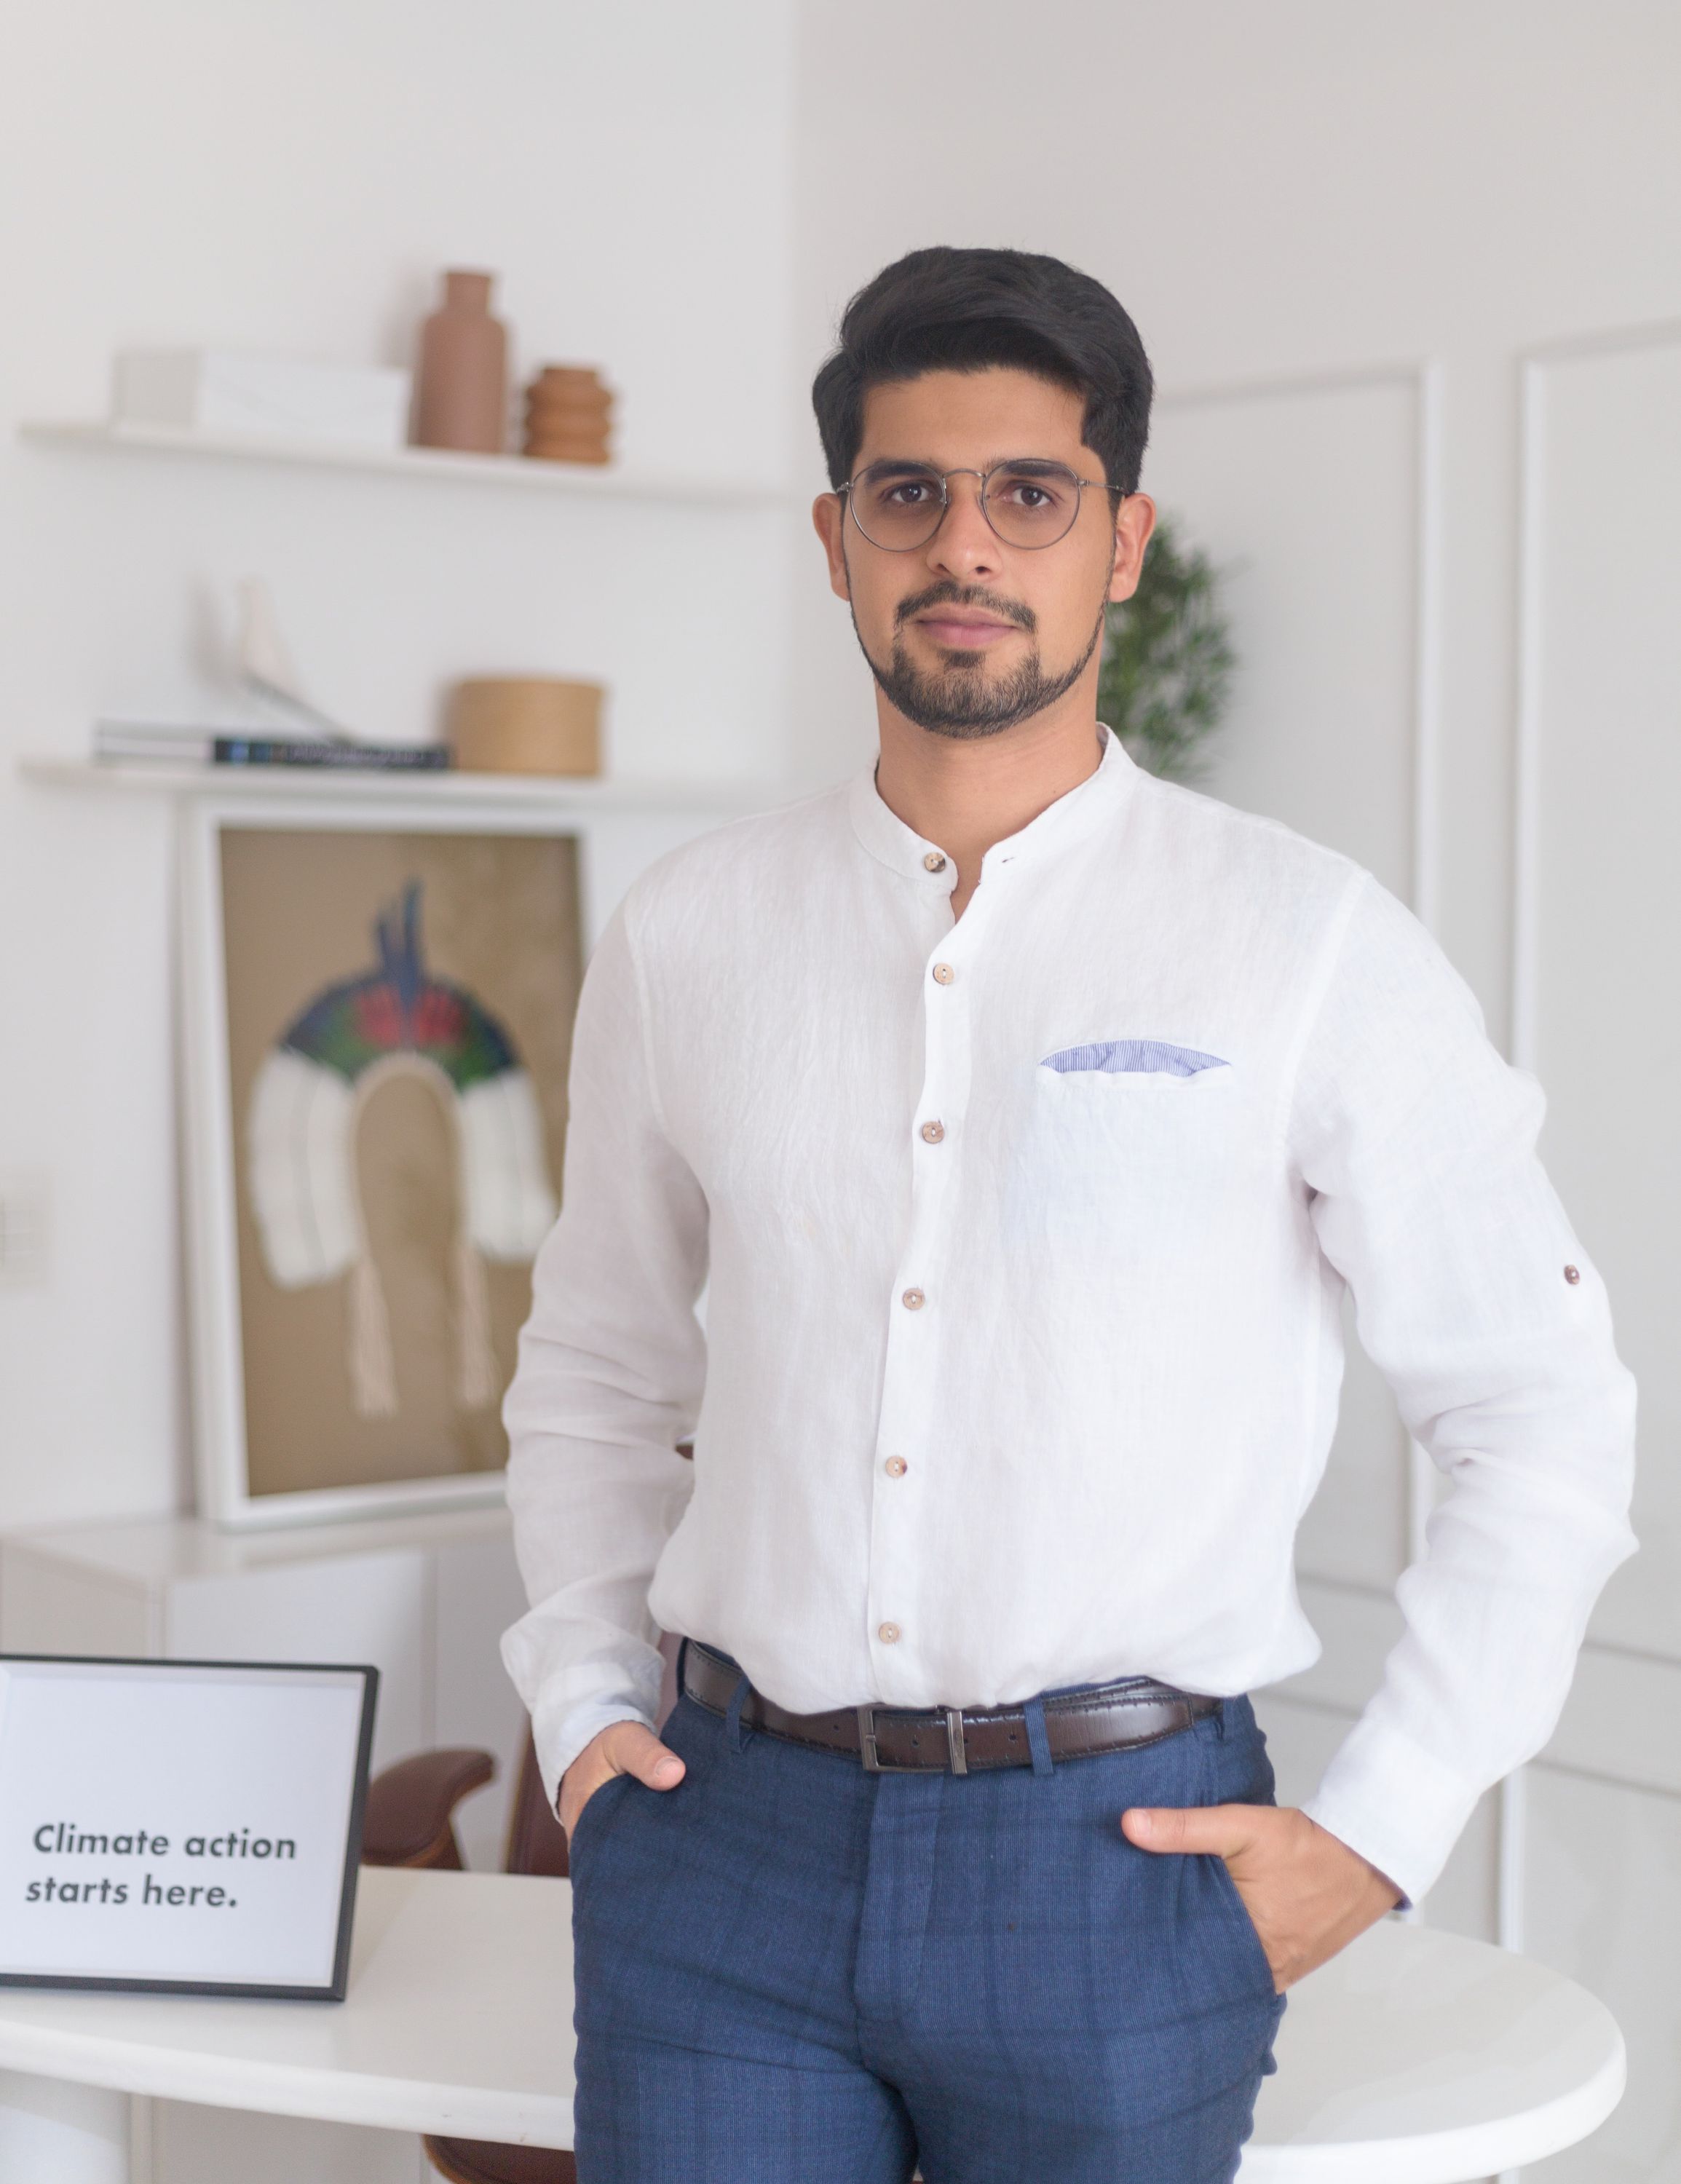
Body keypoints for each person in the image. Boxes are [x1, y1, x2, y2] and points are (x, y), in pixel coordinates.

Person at [501, 245, 1637, 2183]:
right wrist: (586, 1711)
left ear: (1121, 542)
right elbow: (597, 1365)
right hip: (722, 1847)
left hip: (1115, 1867)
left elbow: (1539, 1406)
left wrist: (1384, 1829)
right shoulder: (690, 932)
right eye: (910, 494)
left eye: (1030, 495)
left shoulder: (1302, 943)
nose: (967, 546)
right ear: (837, 540)